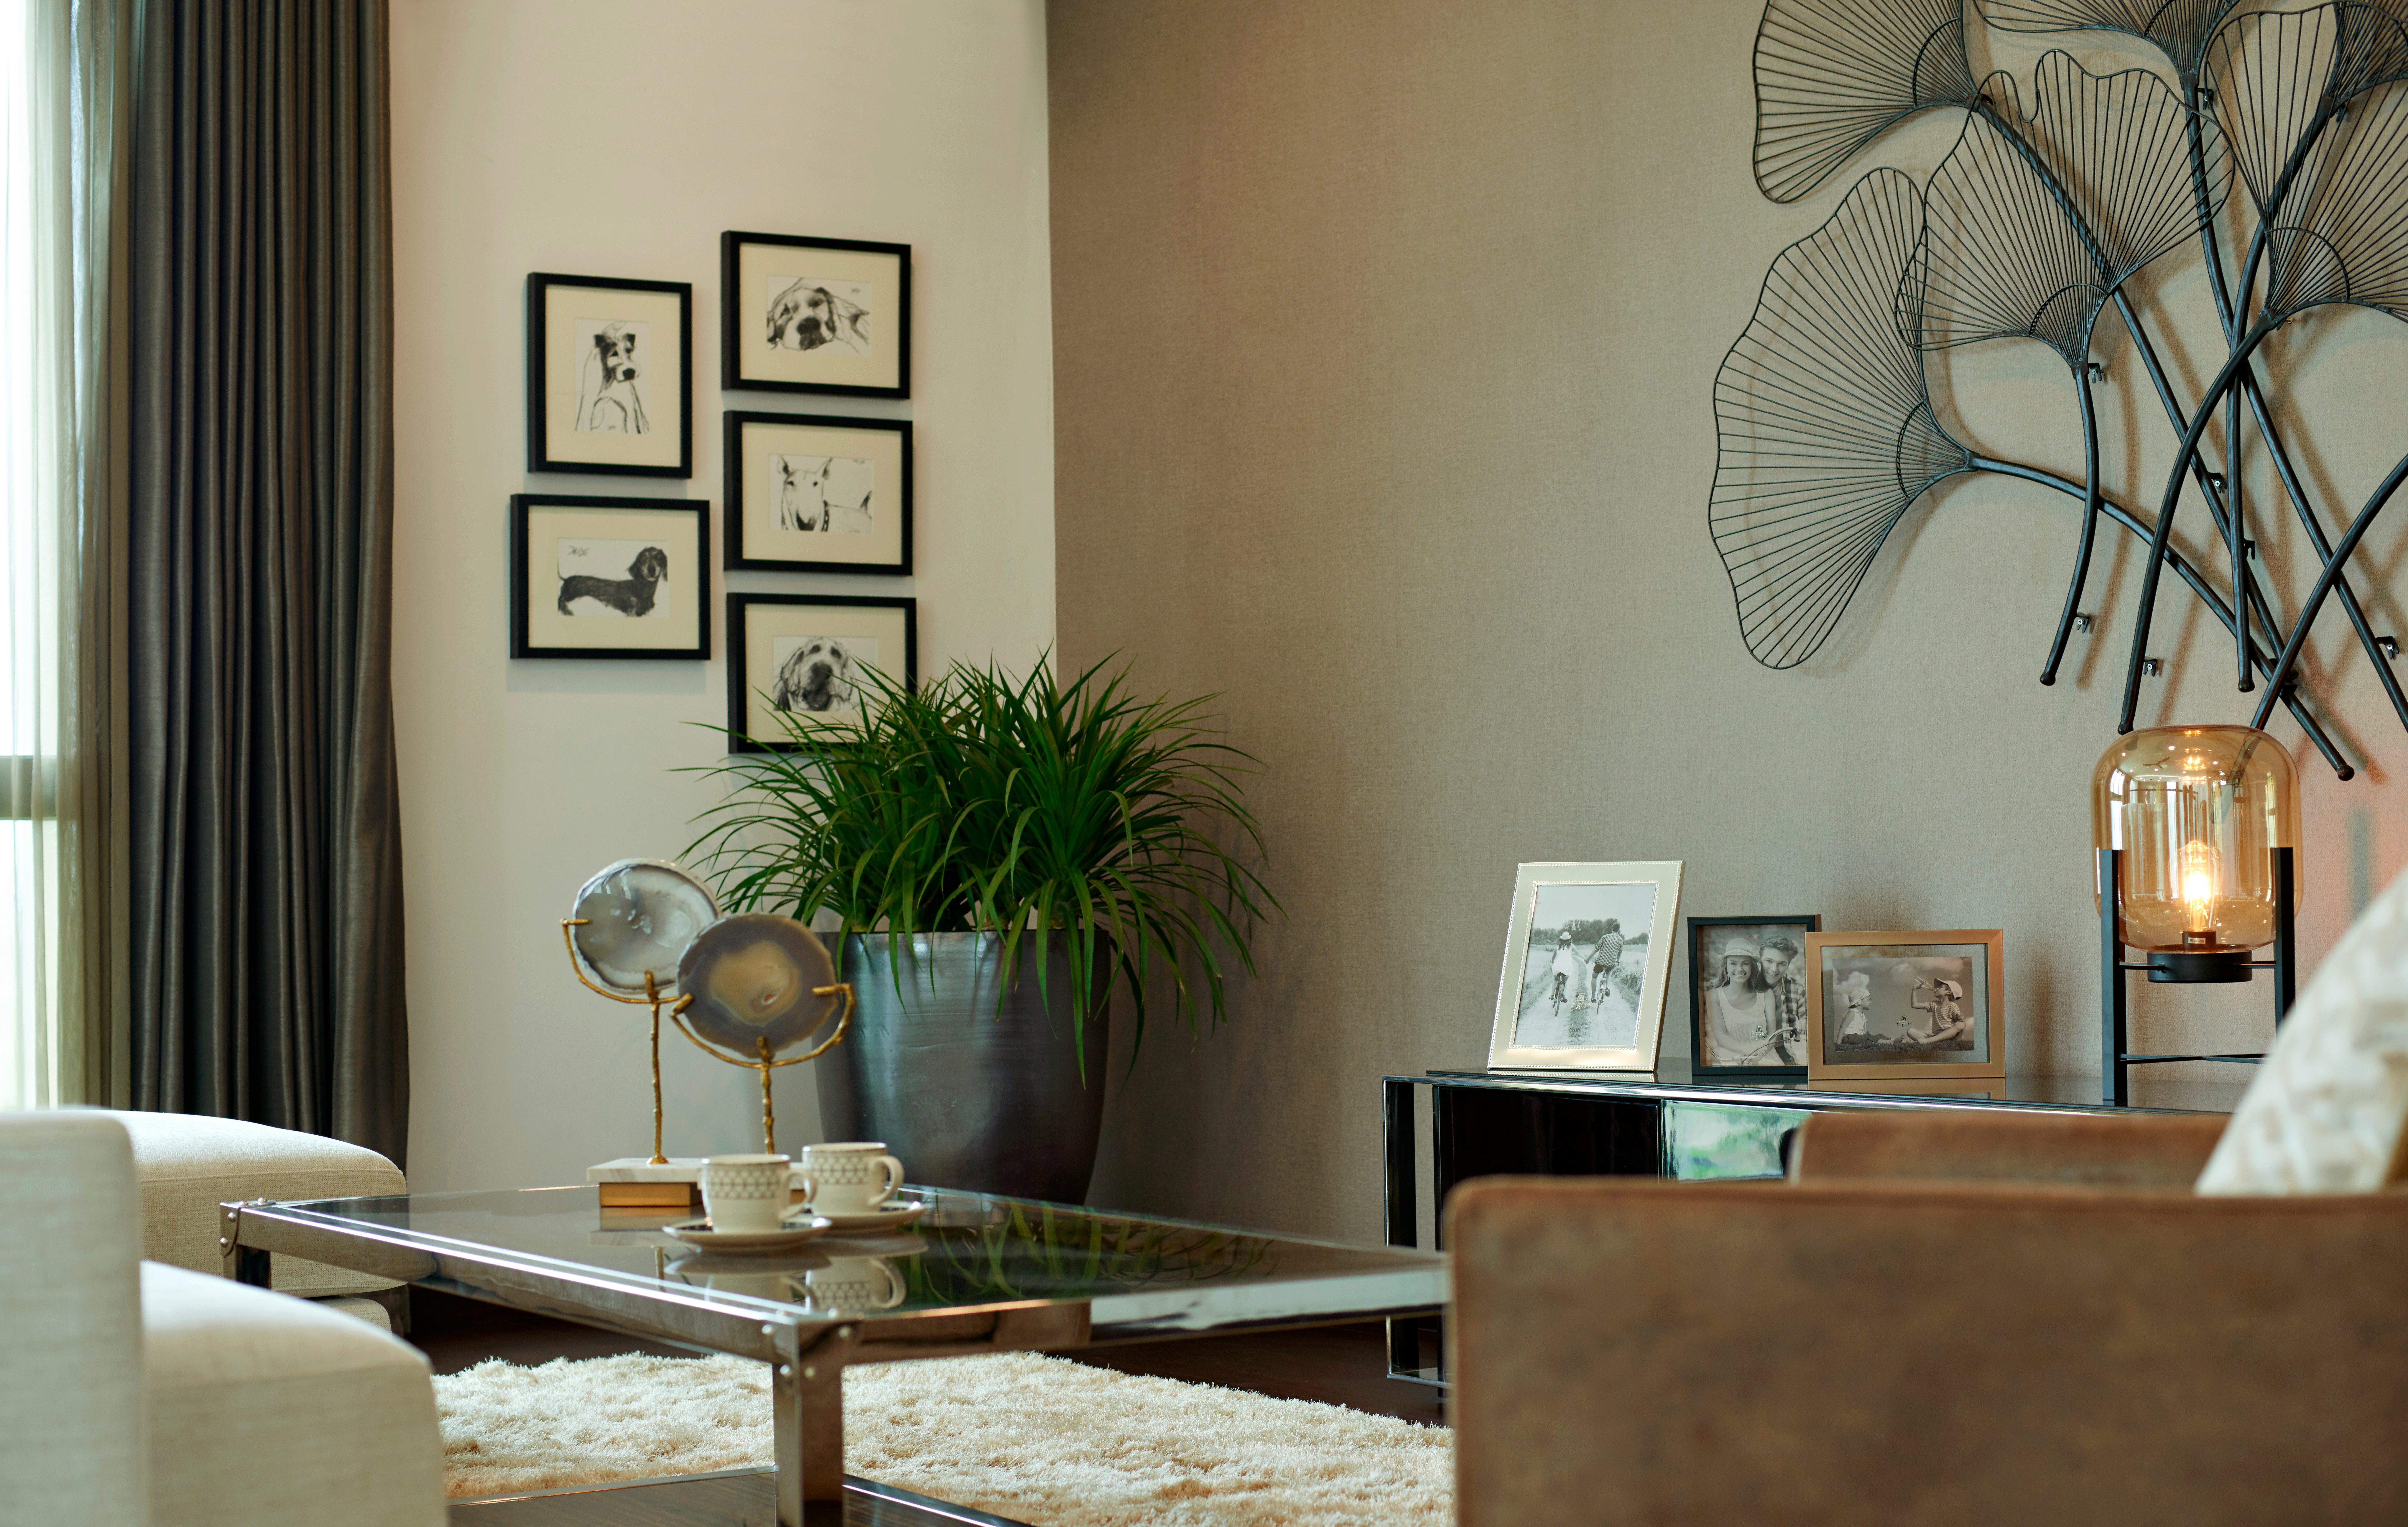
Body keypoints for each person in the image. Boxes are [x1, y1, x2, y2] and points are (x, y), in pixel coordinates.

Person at [1705, 944, 1774, 1064]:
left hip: (1765, 1058)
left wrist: (1757, 1057)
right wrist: (1750, 1052)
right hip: (1732, 1060)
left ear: (1752, 967)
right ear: (1726, 967)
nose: (1740, 969)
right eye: (1733, 963)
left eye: (1745, 964)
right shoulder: (1715, 995)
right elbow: (1721, 1038)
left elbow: (1773, 1035)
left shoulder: (1767, 994)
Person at [1759, 935, 1806, 1065]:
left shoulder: (1797, 988)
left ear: (1788, 966)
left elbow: (1809, 1019)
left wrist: (1805, 1023)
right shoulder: (1746, 983)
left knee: (1794, 1080)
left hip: (1780, 1048)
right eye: (1769, 961)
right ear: (1760, 960)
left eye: (1782, 964)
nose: (1774, 969)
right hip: (1750, 1048)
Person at [1904, 977, 1971, 1047]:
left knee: (1961, 1024)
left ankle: (1930, 1041)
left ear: (1949, 992)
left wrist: (1961, 1018)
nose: (1937, 989)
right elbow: (1915, 1005)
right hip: (1937, 1037)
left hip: (1953, 1039)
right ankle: (1933, 1041)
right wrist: (1915, 989)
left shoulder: (1953, 1006)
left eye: (1941, 988)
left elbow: (1960, 1020)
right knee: (1910, 1031)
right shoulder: (1934, 1004)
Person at [1548, 928, 1585, 1014]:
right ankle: (1563, 995)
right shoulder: (1571, 946)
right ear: (1569, 939)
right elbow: (1578, 953)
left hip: (1558, 966)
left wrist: (1553, 962)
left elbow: (1554, 957)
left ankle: (1552, 995)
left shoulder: (1558, 947)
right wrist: (1585, 959)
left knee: (1555, 979)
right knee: (1565, 981)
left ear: (1561, 939)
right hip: (1567, 966)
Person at [1590, 919, 1626, 1006]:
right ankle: (1607, 988)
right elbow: (1620, 953)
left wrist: (1588, 959)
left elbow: (1597, 949)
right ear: (1619, 930)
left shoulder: (1605, 937)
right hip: (1610, 964)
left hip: (1600, 962)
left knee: (1594, 977)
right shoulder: (1621, 940)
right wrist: (1618, 961)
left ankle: (1593, 998)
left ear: (1612, 929)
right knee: (1609, 972)